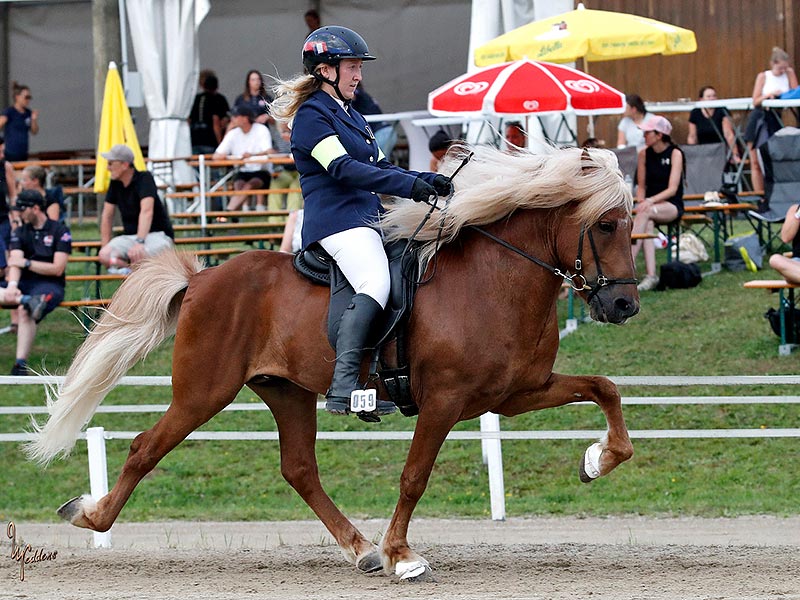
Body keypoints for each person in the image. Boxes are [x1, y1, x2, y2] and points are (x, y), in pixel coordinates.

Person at [270, 25, 452, 418]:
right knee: (376, 281)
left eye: (358, 67)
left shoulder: (352, 116)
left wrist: (423, 179)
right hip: (337, 223)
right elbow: (343, 168)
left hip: (368, 218)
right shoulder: (312, 118)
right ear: (325, 70)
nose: (359, 75)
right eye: (352, 67)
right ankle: (345, 386)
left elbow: (380, 166)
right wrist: (409, 186)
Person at [0, 190, 71, 375]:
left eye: (22, 210)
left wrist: (28, 263)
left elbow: (57, 268)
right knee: (26, 303)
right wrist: (13, 286)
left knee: (27, 312)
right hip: (24, 284)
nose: (19, 214)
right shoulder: (20, 231)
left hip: (50, 285)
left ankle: (19, 365)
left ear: (36, 208)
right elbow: (15, 260)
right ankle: (24, 299)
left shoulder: (59, 230)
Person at [98, 144, 174, 273]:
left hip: (158, 235)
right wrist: (105, 245)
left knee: (140, 255)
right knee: (104, 255)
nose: (108, 167)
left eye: (111, 163)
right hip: (131, 237)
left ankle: (135, 277)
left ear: (125, 165)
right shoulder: (115, 183)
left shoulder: (145, 179)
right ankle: (131, 273)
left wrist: (140, 242)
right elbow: (107, 215)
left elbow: (147, 211)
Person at [630, 115, 685, 291]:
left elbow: (673, 189)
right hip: (648, 207)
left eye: (647, 132)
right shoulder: (643, 154)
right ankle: (651, 275)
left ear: (659, 135)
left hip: (671, 205)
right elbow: (641, 185)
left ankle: (627, 267)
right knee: (647, 221)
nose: (644, 136)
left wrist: (648, 202)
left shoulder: (676, 153)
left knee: (645, 213)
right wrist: (641, 201)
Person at [745, 47, 798, 193]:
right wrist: (769, 95)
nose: (782, 71)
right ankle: (760, 195)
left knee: (775, 159)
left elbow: (795, 94)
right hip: (760, 117)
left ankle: (776, 193)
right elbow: (755, 100)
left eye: (784, 68)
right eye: (780, 68)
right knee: (755, 159)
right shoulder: (763, 76)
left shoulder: (789, 73)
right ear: (773, 64)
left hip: (776, 118)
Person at [213, 104, 275, 213]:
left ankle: (228, 212)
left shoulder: (261, 130)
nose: (232, 119)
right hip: (242, 170)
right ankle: (231, 215)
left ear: (245, 118)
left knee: (249, 185)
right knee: (239, 184)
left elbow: (269, 151)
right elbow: (216, 155)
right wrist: (225, 156)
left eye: (236, 116)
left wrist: (252, 155)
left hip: (261, 171)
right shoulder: (233, 133)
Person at [687, 86, 741, 163]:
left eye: (714, 96)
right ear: (701, 99)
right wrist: (692, 155)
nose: (712, 98)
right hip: (703, 151)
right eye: (708, 96)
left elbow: (728, 134)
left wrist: (735, 154)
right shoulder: (695, 113)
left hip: (721, 151)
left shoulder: (722, 111)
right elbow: (692, 137)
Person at [189, 71, 230, 155]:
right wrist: (220, 143)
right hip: (210, 141)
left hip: (195, 141)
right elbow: (216, 122)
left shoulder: (196, 99)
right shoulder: (218, 99)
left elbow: (188, 120)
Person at [268, 121, 303, 220]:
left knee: (294, 189)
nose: (285, 133)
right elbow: (275, 151)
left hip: (301, 170)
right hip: (286, 169)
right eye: (283, 130)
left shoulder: (300, 132)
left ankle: (291, 221)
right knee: (275, 185)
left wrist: (291, 140)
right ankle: (274, 220)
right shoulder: (278, 135)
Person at [352, 83, 397, 159]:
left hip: (380, 133)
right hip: (388, 131)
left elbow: (352, 96)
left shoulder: (357, 93)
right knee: (382, 163)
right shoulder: (365, 96)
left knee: (377, 163)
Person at [0, 83, 39, 162]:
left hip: (23, 153)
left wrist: (34, 120)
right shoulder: (9, 112)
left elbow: (34, 131)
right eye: (26, 97)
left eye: (29, 97)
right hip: (9, 153)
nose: (28, 100)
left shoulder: (28, 113)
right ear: (17, 97)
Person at [768, 203, 800, 284]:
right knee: (775, 259)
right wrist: (798, 215)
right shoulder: (794, 209)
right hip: (797, 263)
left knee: (790, 275)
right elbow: (785, 238)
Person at [0, 135, 18, 249]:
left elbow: (13, 196)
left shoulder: (6, 167)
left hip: (2, 218)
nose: (2, 155)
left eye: (3, 151)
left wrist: (15, 219)